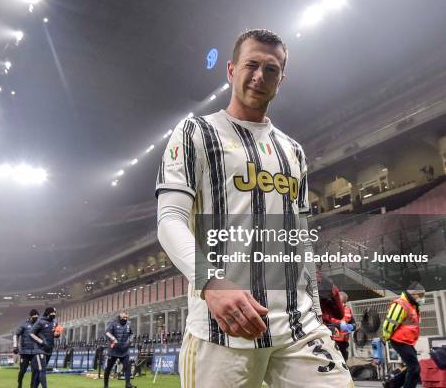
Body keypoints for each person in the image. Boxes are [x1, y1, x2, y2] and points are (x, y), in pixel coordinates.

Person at [156, 29, 353, 387]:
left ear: (282, 79)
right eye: (251, 65)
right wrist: (210, 282)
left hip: (299, 329)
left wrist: (312, 305)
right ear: (231, 70)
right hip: (222, 331)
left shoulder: (292, 150)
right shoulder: (196, 132)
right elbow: (169, 220)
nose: (260, 76)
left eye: (271, 69)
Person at [382, 282, 425, 388]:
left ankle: (392, 384)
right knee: (415, 368)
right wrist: (385, 337)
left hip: (406, 341)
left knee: (411, 367)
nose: (421, 298)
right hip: (399, 341)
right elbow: (390, 323)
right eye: (420, 295)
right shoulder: (401, 304)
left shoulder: (412, 305)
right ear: (412, 294)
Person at [103, 311, 135, 388]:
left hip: (124, 350)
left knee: (127, 367)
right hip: (113, 350)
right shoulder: (113, 323)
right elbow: (107, 333)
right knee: (108, 368)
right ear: (120, 317)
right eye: (124, 317)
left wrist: (130, 341)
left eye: (127, 317)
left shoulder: (128, 324)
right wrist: (113, 339)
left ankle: (128, 384)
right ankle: (106, 385)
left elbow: (132, 334)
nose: (126, 319)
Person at [29, 307, 59, 388]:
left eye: (55, 313)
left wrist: (57, 334)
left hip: (49, 349)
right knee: (42, 370)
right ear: (48, 313)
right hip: (40, 350)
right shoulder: (40, 322)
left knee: (40, 371)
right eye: (53, 313)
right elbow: (31, 333)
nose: (54, 315)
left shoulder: (54, 323)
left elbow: (54, 334)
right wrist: (41, 342)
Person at [13, 309, 40, 388]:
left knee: (35, 371)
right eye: (35, 317)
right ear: (30, 316)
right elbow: (16, 334)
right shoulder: (24, 325)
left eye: (37, 317)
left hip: (35, 352)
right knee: (22, 371)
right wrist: (15, 346)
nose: (36, 318)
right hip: (25, 352)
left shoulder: (39, 326)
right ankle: (19, 384)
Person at [332, 292, 355, 362]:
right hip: (333, 341)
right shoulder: (330, 309)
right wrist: (341, 326)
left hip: (341, 343)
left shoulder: (347, 309)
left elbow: (354, 326)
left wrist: (347, 327)